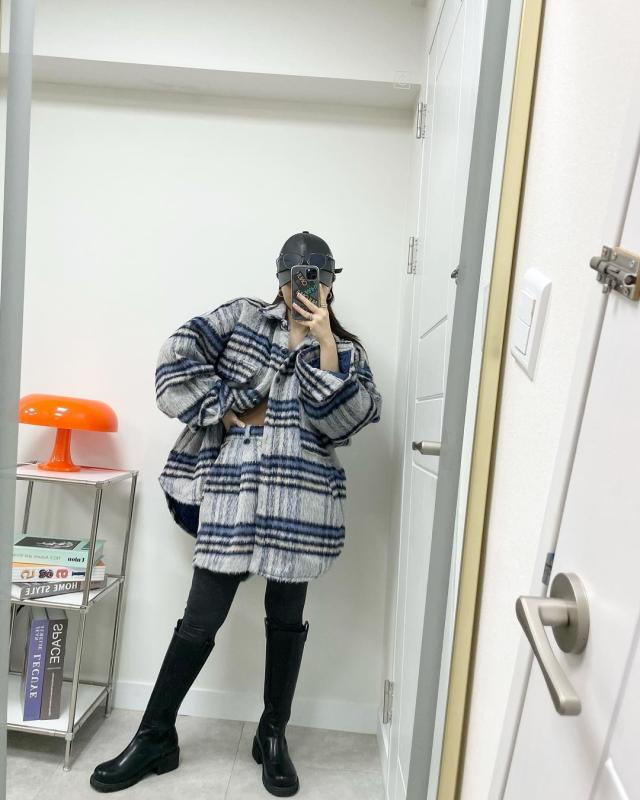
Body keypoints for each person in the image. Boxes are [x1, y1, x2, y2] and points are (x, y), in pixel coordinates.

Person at [89, 231, 383, 796]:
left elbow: (343, 422)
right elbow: (175, 359)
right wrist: (225, 409)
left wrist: (323, 342)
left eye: (317, 277)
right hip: (235, 484)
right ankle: (155, 735)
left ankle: (272, 734)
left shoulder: (347, 351)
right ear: (279, 277)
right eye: (296, 276)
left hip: (303, 496)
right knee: (201, 615)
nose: (304, 286)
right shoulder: (242, 319)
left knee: (286, 616)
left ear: (330, 283)